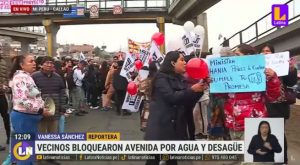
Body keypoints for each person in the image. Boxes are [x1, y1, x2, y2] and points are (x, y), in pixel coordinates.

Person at [145, 51, 207, 165]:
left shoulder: (180, 78)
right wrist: (192, 89)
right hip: (162, 128)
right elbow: (172, 97)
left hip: (175, 127)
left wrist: (199, 90)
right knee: (155, 160)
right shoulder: (161, 78)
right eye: (182, 60)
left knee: (170, 160)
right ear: (173, 63)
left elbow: (187, 102)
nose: (185, 63)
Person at [9, 54, 51, 165]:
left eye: (34, 61)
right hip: (23, 118)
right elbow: (22, 100)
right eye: (30, 61)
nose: (34, 63)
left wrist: (42, 106)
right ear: (21, 65)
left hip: (29, 118)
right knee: (25, 154)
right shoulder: (20, 78)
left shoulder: (27, 76)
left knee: (28, 151)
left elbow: (33, 96)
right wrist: (41, 110)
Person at [260, 43, 298, 164]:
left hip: (278, 107)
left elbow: (291, 81)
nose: (265, 53)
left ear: (273, 53)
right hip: (262, 106)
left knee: (277, 134)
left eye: (268, 51)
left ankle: (282, 160)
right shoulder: (256, 66)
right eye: (263, 51)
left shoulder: (280, 66)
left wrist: (291, 68)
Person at [31, 56, 67, 134]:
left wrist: (62, 108)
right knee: (41, 135)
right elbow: (30, 95)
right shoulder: (34, 76)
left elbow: (62, 94)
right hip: (40, 113)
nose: (49, 65)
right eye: (47, 63)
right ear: (41, 65)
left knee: (54, 135)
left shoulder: (58, 77)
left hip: (55, 112)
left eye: (51, 63)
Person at [0, 53, 10, 149]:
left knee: (6, 117)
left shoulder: (3, 61)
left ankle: (9, 138)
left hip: (2, 95)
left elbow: (6, 76)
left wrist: (6, 85)